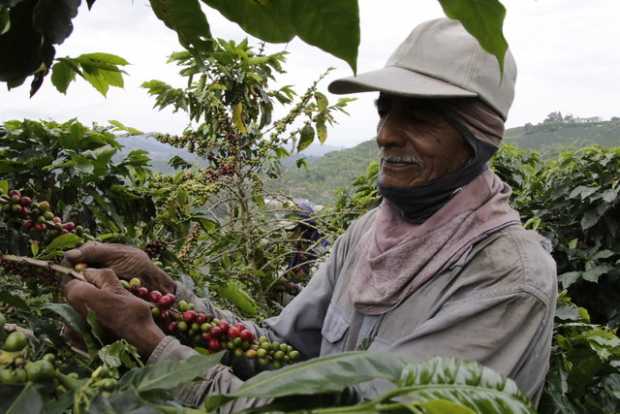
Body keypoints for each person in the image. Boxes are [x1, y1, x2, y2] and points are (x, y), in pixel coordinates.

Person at [63, 18, 557, 409]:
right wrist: (166, 294)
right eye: (386, 111)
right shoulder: (369, 233)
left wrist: (157, 348)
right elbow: (282, 353)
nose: (386, 134)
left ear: (478, 138)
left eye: (420, 117)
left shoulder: (507, 278)